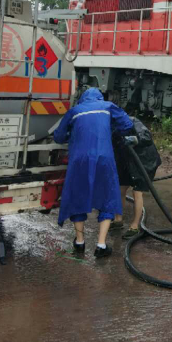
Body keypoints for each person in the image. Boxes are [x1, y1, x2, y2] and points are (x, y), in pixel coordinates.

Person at [53, 88, 134, 258]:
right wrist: (109, 129)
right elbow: (127, 125)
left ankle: (80, 241)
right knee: (107, 197)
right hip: (104, 158)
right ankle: (101, 245)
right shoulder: (108, 106)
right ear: (99, 97)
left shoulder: (74, 111)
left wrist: (73, 134)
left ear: (83, 99)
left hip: (79, 160)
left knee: (78, 195)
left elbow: (59, 137)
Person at [110, 118, 161, 239]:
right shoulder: (111, 127)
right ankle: (118, 220)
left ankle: (134, 226)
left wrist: (134, 139)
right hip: (127, 161)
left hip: (144, 162)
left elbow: (147, 137)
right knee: (120, 189)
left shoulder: (132, 122)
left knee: (137, 192)